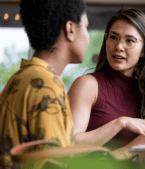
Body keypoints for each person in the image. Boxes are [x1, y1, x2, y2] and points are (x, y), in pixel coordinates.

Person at [68, 8, 145, 160]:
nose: (119, 46)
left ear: (144, 49)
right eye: (113, 37)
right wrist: (120, 123)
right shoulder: (87, 85)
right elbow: (69, 146)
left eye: (129, 40)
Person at [0, 0, 88, 168]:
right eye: (85, 26)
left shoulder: (22, 77)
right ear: (70, 29)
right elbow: (57, 164)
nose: (87, 36)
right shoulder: (45, 86)